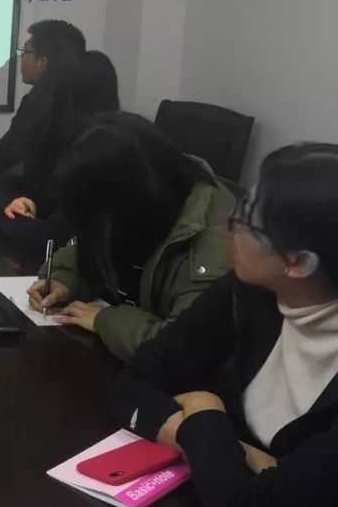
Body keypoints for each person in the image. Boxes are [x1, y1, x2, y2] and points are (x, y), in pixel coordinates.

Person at [110, 144, 338, 507]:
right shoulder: (251, 290)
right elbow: (134, 381)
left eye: (248, 222)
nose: (229, 226)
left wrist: (205, 408)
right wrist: (231, 451)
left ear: (298, 263)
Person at [26, 112, 235, 360]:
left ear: (128, 201)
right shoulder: (143, 194)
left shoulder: (215, 246)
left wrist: (107, 321)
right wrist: (65, 278)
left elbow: (186, 351)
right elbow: (92, 240)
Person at [0, 50, 120, 255]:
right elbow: (4, 185)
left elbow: (52, 237)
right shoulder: (64, 141)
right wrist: (27, 204)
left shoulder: (102, 152)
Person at [0, 20, 86, 196]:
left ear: (42, 62)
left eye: (25, 52)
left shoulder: (37, 105)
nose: (21, 58)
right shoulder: (84, 99)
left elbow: (4, 155)